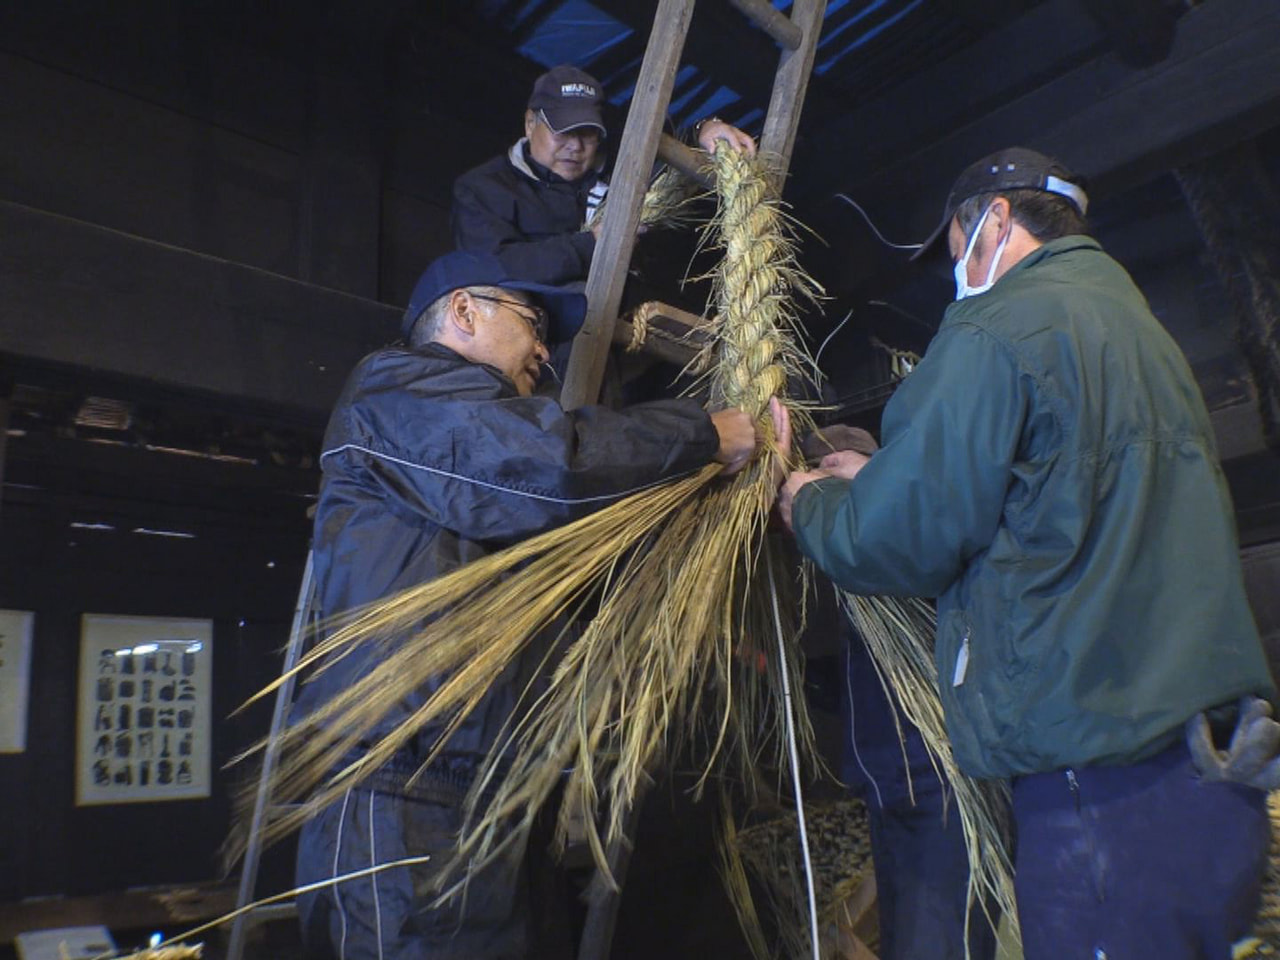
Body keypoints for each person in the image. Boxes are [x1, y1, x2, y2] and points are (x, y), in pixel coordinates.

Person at [774, 147, 1276, 959]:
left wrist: (819, 503)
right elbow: (1044, 489)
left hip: (1101, 780)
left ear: (995, 222)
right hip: (1199, 768)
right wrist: (884, 474)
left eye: (954, 249)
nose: (956, 276)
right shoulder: (1131, 327)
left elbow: (896, 539)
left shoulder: (999, 326)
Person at [292, 249, 762, 960]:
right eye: (532, 322)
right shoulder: (398, 392)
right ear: (463, 311)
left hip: (472, 793)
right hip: (401, 795)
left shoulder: (461, 459)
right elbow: (545, 463)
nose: (545, 350)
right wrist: (702, 433)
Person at [802, 425, 996, 960]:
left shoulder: (908, 550)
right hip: (891, 791)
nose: (816, 484)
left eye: (828, 469)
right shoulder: (855, 591)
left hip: (939, 789)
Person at [451, 63, 756, 290]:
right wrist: (591, 244)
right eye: (563, 132)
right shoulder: (483, 189)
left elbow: (667, 160)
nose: (576, 146)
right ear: (531, 124)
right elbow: (491, 267)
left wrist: (707, 128)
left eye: (588, 134)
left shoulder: (616, 170)